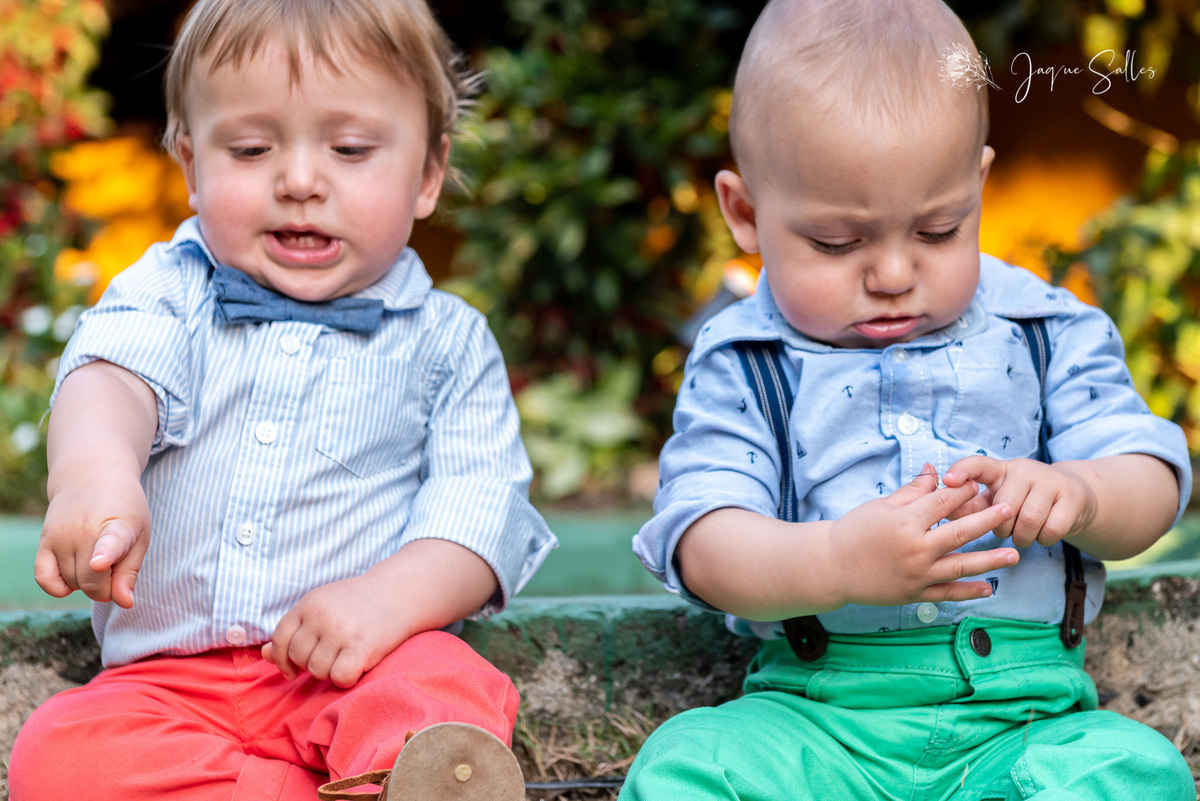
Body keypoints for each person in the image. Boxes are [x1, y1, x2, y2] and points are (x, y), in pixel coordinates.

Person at [624, 1, 1195, 799]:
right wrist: (837, 560)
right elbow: (704, 542)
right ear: (746, 213)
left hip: (1021, 729)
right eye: (837, 241)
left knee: (1131, 770)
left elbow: (1155, 479)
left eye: (938, 230)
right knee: (690, 763)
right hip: (818, 724)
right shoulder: (743, 362)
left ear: (979, 187)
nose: (893, 273)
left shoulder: (1045, 328)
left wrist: (1084, 491)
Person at [10, 0, 556, 798]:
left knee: (440, 683)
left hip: (356, 667)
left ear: (428, 173)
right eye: (253, 148)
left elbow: (482, 508)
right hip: (170, 684)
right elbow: (112, 379)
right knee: (61, 750)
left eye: (350, 148)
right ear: (192, 165)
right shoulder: (168, 292)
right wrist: (97, 475)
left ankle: (389, 778)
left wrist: (388, 598)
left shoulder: (448, 341)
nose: (300, 180)